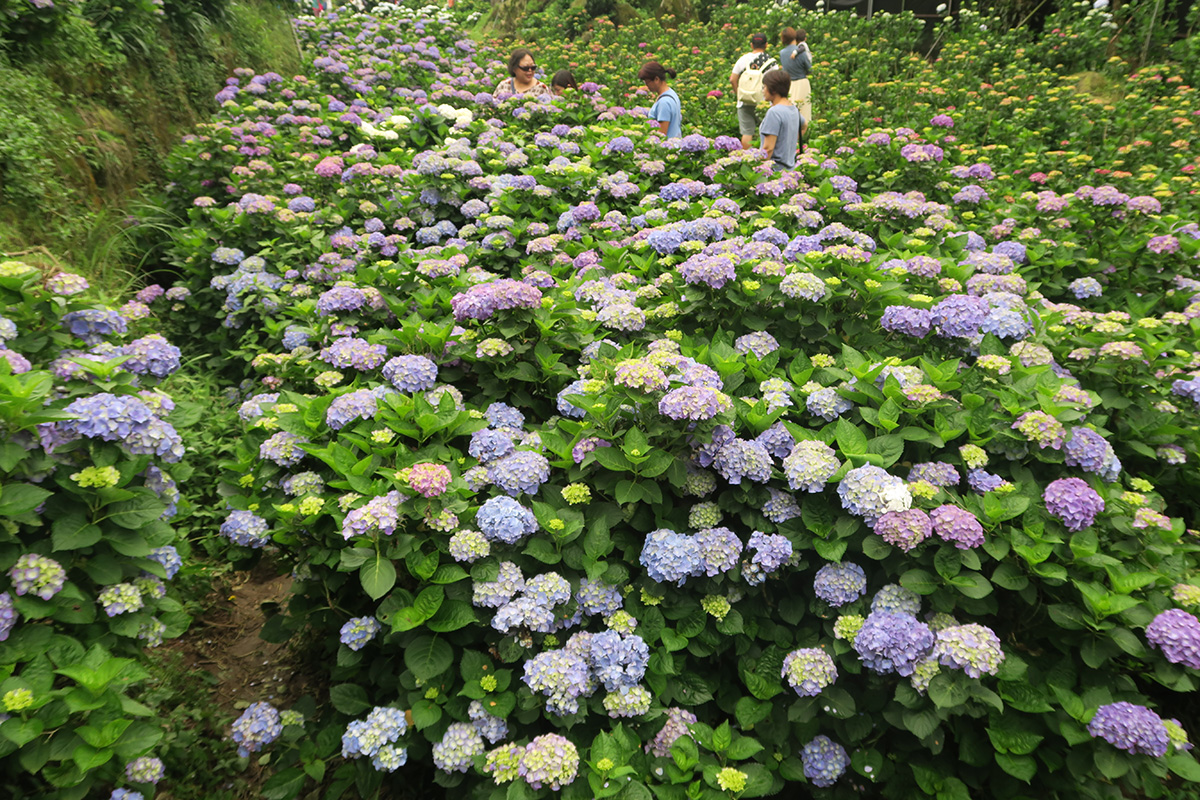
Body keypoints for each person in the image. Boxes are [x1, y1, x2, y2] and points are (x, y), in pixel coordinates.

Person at [731, 33, 779, 150]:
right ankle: (765, 159)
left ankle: (747, 160)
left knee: (747, 132)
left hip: (744, 101)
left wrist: (739, 94)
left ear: (751, 45)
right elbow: (776, 83)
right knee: (767, 131)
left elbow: (732, 79)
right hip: (763, 102)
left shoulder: (743, 59)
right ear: (766, 45)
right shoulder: (771, 62)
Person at [759, 69, 802, 170]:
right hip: (790, 171)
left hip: (775, 174)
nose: (763, 91)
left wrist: (757, 169)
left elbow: (768, 149)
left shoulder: (774, 112)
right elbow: (804, 125)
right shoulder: (793, 108)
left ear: (773, 90)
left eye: (764, 87)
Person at [780, 27, 813, 130]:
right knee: (804, 114)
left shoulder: (782, 53)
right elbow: (809, 69)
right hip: (802, 82)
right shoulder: (801, 52)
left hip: (789, 84)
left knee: (791, 112)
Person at [638, 61, 681, 139]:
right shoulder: (671, 93)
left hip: (667, 149)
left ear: (656, 79)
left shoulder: (664, 102)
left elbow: (661, 135)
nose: (647, 86)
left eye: (647, 82)